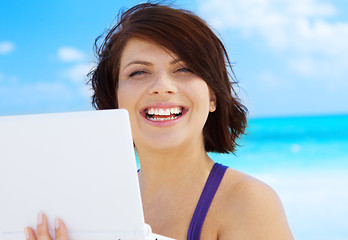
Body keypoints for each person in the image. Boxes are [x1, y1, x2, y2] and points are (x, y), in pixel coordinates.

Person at [25, 3, 293, 240]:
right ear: (115, 100)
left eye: (184, 69)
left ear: (213, 96)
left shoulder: (248, 203)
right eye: (139, 72)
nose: (162, 87)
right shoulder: (90, 207)